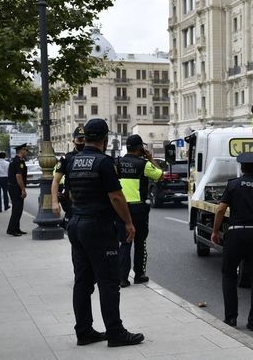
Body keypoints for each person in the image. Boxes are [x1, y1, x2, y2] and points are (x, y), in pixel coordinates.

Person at [64, 118, 144, 347]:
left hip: (77, 223)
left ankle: (84, 331)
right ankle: (115, 332)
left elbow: (69, 194)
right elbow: (116, 197)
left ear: (86, 136)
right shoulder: (104, 162)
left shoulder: (72, 161)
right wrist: (128, 223)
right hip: (98, 226)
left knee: (83, 281)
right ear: (105, 138)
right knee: (108, 281)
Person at [211, 152, 253, 332]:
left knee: (229, 276)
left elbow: (220, 210)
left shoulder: (233, 185)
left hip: (235, 236)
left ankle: (231, 318)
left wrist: (215, 231)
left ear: (242, 168)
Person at [116, 134, 162, 288]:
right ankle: (139, 275)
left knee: (124, 243)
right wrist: (150, 158)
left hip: (121, 208)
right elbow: (160, 174)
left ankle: (122, 278)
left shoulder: (117, 163)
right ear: (140, 148)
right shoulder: (144, 164)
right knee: (140, 242)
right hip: (138, 209)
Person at [51, 126, 85, 228]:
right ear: (73, 141)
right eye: (79, 139)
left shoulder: (95, 157)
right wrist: (54, 202)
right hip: (71, 200)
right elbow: (56, 181)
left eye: (84, 139)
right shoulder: (66, 158)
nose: (82, 142)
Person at [6, 144, 28, 236]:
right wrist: (23, 189)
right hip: (15, 187)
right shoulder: (18, 161)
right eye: (25, 150)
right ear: (21, 151)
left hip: (15, 187)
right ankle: (11, 229)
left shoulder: (20, 161)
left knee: (19, 209)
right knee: (16, 209)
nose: (27, 152)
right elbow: (18, 176)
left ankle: (16, 228)